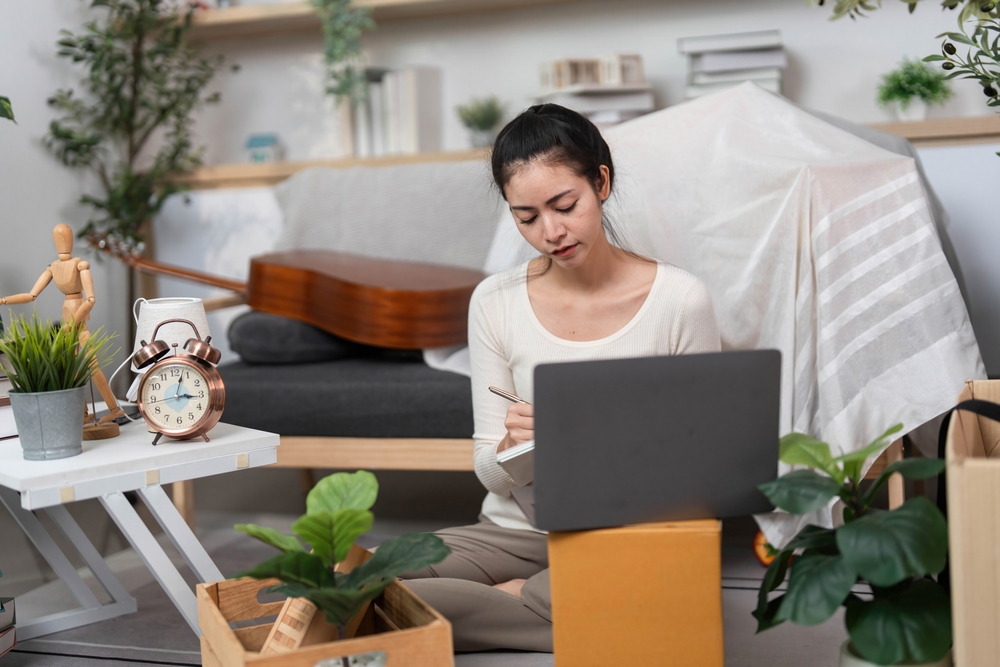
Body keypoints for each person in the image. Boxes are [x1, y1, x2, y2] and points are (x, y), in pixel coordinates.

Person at [401, 104, 721, 652]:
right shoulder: (495, 302)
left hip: (629, 541)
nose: (550, 232)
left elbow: (702, 472)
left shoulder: (679, 300)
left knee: (665, 590)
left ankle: (535, 601)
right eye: (526, 217)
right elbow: (491, 476)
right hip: (515, 534)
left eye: (564, 205)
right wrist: (512, 444)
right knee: (367, 581)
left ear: (601, 181)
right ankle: (539, 601)